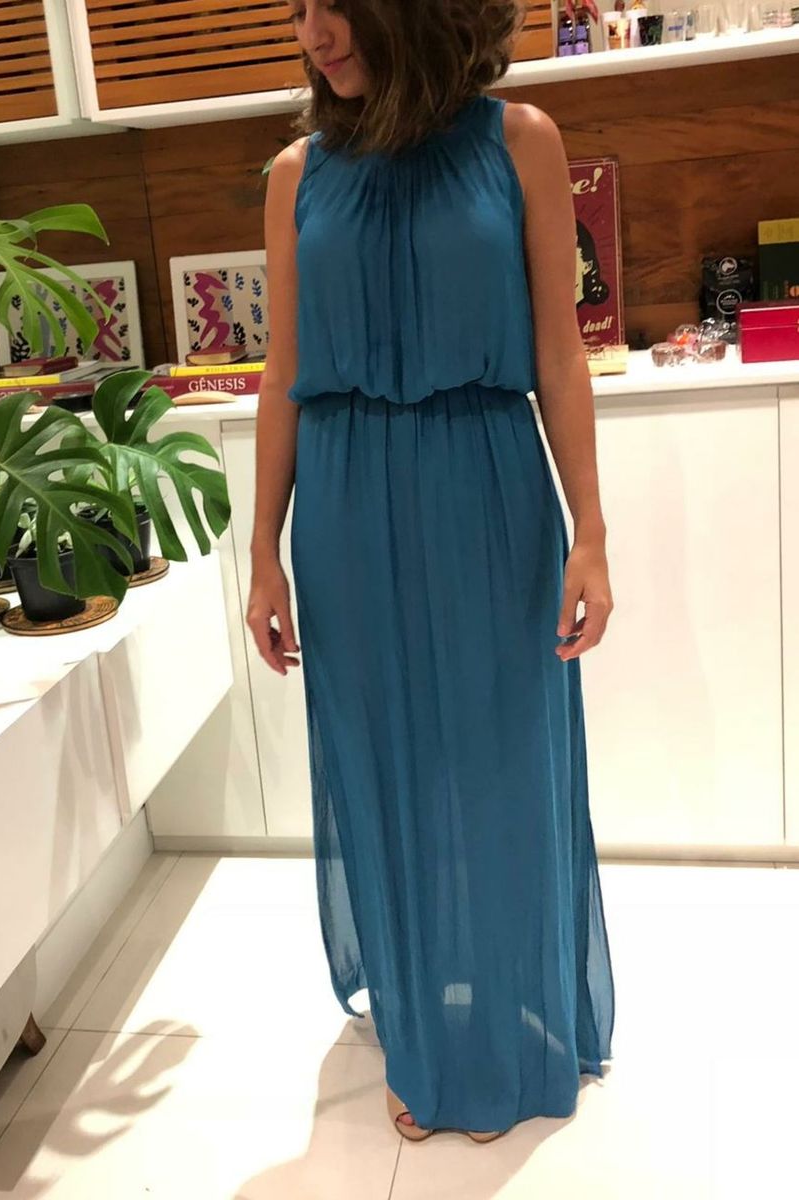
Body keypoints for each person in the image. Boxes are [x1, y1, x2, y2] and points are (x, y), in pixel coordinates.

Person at [246, 0, 616, 1142]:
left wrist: (592, 531)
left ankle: (505, 1019)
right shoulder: (295, 176)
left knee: (500, 759)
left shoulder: (521, 143)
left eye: (335, 6)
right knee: (385, 763)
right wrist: (261, 552)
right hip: (345, 505)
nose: (314, 33)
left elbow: (559, 352)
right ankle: (419, 1027)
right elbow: (284, 374)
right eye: (297, 10)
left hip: (488, 485)